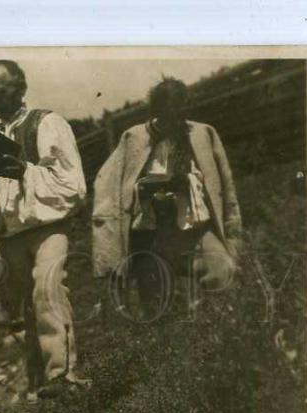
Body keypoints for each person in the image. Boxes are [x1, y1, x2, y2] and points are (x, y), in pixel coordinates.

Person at [0, 59, 88, 400]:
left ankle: (65, 373)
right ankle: (40, 384)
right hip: (11, 235)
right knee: (26, 308)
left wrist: (26, 172)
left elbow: (72, 185)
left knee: (48, 290)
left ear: (21, 87)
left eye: (0, 92)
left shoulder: (47, 124)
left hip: (47, 227)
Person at [92, 78, 243, 316]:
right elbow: (107, 187)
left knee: (222, 269)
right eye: (166, 114)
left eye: (178, 113)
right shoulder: (134, 138)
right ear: (156, 111)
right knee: (155, 304)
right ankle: (164, 342)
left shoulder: (203, 134)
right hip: (149, 234)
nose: (173, 121)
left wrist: (232, 234)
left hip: (194, 227)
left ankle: (221, 331)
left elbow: (225, 185)